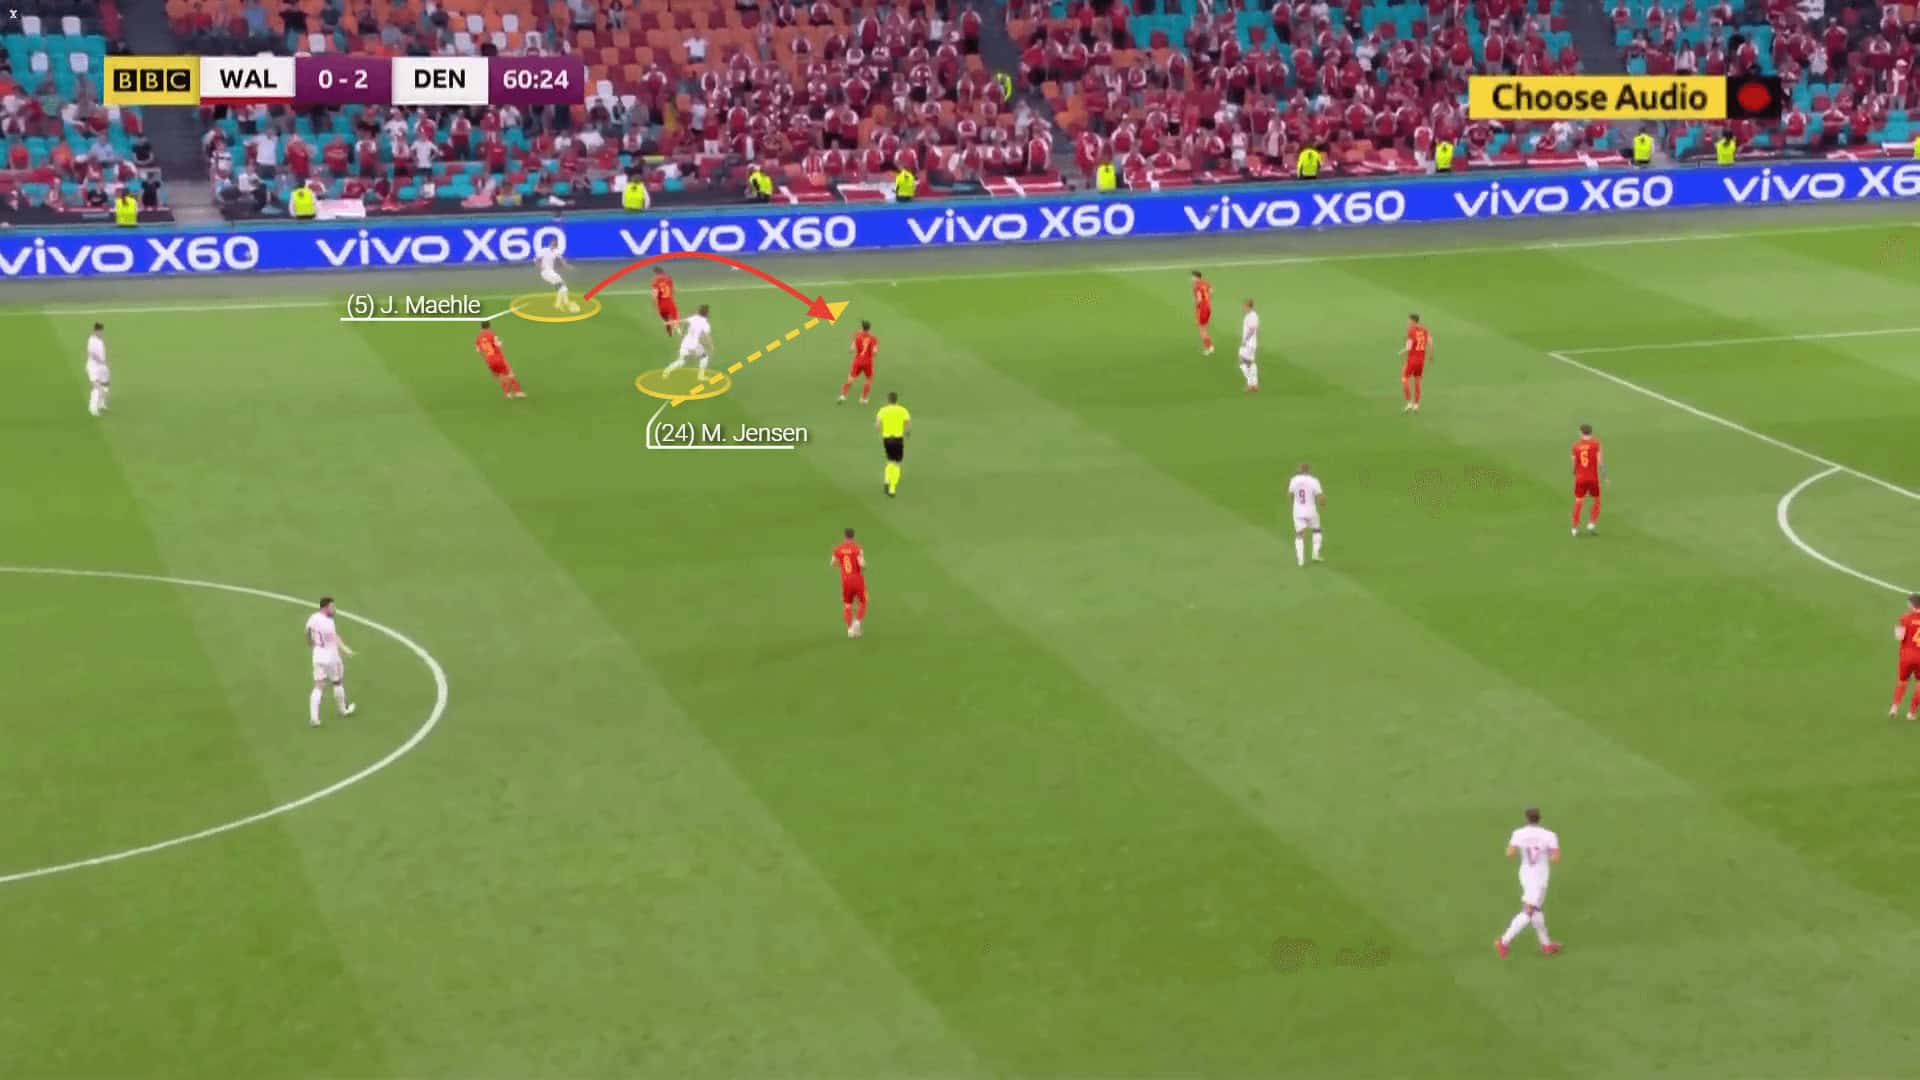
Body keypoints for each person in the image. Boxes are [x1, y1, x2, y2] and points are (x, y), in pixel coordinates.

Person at [1496, 807, 1563, 957]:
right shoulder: (1549, 835)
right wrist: (1545, 853)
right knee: (1529, 910)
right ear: (1540, 818)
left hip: (1526, 874)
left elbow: (1509, 853)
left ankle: (1546, 945)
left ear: (1526, 818)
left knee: (1536, 910)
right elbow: (1555, 858)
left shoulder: (1518, 833)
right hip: (1539, 877)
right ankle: (1503, 941)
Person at [305, 596, 358, 727]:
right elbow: (334, 638)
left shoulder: (313, 617)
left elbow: (307, 631)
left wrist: (310, 642)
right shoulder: (328, 623)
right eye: (331, 607)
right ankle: (343, 710)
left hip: (317, 654)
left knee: (318, 685)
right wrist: (345, 649)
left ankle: (314, 718)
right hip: (330, 656)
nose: (333, 609)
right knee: (337, 682)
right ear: (325, 607)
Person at [831, 527, 868, 638]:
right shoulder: (857, 548)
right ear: (853, 536)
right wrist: (864, 566)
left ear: (844, 536)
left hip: (846, 580)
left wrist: (842, 565)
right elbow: (862, 564)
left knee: (847, 606)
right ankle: (857, 622)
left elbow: (832, 563)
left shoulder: (838, 549)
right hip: (857, 579)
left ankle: (850, 629)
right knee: (863, 602)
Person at [662, 303, 714, 382]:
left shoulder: (693, 318)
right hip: (694, 345)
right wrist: (710, 345)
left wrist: (669, 322)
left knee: (681, 361)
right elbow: (707, 336)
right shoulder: (705, 323)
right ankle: (701, 376)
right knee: (704, 357)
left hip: (685, 343)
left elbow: (681, 321)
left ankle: (667, 370)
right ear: (707, 313)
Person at [475, 320, 525, 399]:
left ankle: (508, 393)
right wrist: (500, 343)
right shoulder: (492, 334)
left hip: (489, 361)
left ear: (481, 327)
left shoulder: (478, 338)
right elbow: (498, 345)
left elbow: (479, 351)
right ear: (489, 326)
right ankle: (517, 392)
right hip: (498, 359)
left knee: (500, 376)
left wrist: (486, 359)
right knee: (510, 374)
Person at [1287, 463, 1324, 566]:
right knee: (1317, 530)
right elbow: (1320, 497)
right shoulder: (1314, 481)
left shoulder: (1294, 480)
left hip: (1298, 512)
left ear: (1300, 470)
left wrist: (1294, 504)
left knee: (1300, 534)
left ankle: (1300, 560)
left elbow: (1290, 494)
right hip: (1311, 511)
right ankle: (1315, 554)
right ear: (1308, 470)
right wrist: (1322, 505)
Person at [875, 391, 911, 497]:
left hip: (887, 439)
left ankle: (886, 480)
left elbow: (877, 424)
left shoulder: (883, 410)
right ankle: (892, 489)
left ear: (888, 400)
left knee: (889, 461)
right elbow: (908, 422)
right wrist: (907, 432)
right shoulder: (902, 410)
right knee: (897, 463)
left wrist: (879, 432)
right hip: (898, 439)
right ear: (896, 400)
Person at [1571, 423, 1603, 536]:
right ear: (1591, 432)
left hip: (1580, 479)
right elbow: (1600, 461)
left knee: (1578, 502)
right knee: (1597, 501)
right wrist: (1604, 475)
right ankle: (1591, 524)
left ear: (1581, 432)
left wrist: (1574, 472)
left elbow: (1574, 463)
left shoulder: (1575, 446)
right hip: (1593, 478)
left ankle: (1574, 528)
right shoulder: (1596, 444)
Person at [1891, 594, 1920, 719]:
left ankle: (1894, 706)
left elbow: (1899, 637)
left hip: (1906, 656)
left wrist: (1897, 630)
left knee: (1902, 681)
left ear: (1911, 605)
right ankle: (1911, 713)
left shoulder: (1905, 618)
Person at [840, 320, 877, 404]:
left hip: (857, 361)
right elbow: (875, 351)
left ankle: (843, 395)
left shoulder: (857, 335)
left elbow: (851, 349)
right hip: (868, 362)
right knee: (869, 379)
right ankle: (863, 398)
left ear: (862, 327)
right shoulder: (873, 338)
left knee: (850, 379)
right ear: (870, 328)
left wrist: (852, 349)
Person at [536, 238, 576, 312]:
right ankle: (565, 303)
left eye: (556, 244)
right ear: (550, 243)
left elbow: (562, 260)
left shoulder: (556, 252)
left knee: (563, 288)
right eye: (553, 243)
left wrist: (567, 266)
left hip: (551, 273)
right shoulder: (544, 250)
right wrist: (541, 267)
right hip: (546, 273)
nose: (554, 245)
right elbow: (537, 260)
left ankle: (558, 304)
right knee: (562, 285)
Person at [1401, 313, 1430, 412]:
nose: (1408, 322)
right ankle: (1416, 405)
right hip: (1421, 360)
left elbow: (1408, 347)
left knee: (1404, 379)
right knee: (1417, 380)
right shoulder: (1424, 330)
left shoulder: (1411, 330)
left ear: (1413, 321)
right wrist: (1430, 354)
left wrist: (1401, 352)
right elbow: (1429, 342)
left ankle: (1409, 403)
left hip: (1412, 360)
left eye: (1409, 320)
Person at [85, 321, 110, 417]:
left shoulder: (100, 340)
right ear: (95, 331)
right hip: (93, 367)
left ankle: (101, 403)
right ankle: (92, 408)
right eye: (100, 331)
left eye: (102, 331)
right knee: (96, 388)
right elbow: (92, 354)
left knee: (106, 384)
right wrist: (102, 362)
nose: (101, 333)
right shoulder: (91, 340)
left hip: (101, 366)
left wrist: (104, 363)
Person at [1237, 298, 1259, 393]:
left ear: (1248, 306)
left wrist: (1245, 340)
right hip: (1252, 343)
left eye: (1244, 306)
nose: (1243, 308)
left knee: (1241, 361)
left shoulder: (1250, 316)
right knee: (1251, 362)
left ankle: (1250, 383)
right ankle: (1255, 384)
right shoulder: (1254, 315)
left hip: (1248, 344)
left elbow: (1252, 330)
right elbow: (1257, 330)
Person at [650, 266, 679, 335]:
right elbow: (673, 290)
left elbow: (655, 294)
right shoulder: (669, 278)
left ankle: (669, 331)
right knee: (674, 317)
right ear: (662, 271)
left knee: (665, 318)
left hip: (661, 303)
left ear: (655, 273)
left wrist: (654, 304)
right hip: (669, 301)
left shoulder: (655, 281)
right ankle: (678, 330)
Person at [1191, 270, 1213, 355]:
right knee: (1205, 328)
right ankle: (1210, 346)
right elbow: (1211, 291)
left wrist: (1197, 306)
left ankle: (1208, 348)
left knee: (1202, 330)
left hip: (1202, 309)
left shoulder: (1196, 286)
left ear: (1196, 277)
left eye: (1193, 277)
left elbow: (1199, 299)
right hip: (1208, 307)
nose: (1192, 279)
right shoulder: (1206, 282)